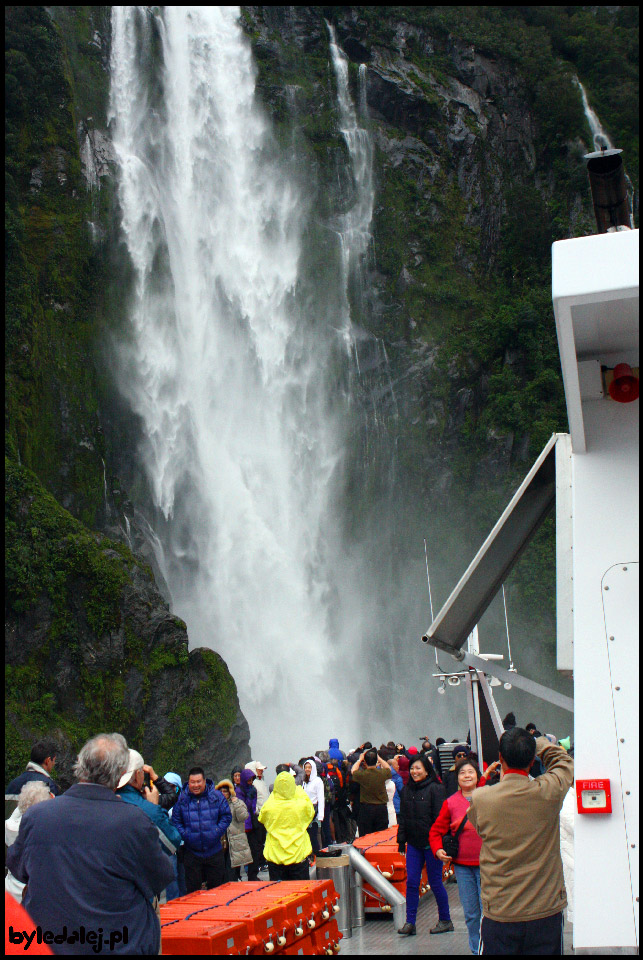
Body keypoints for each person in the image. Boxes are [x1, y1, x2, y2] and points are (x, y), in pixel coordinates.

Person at [6, 732, 174, 954]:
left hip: (49, 945)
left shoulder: (37, 816)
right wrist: (152, 807)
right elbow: (161, 876)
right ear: (121, 774)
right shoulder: (133, 821)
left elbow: (18, 869)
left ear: (80, 766)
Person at [467, 729, 574, 955]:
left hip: (500, 913)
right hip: (545, 912)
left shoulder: (481, 798)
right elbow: (564, 762)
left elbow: (479, 828)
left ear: (501, 758)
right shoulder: (549, 791)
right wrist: (541, 743)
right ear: (531, 758)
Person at [430, 758, 500, 954]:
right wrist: (438, 850)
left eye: (470, 772)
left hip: (487, 864)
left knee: (489, 912)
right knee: (471, 914)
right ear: (457, 778)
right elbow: (435, 831)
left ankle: (490, 949)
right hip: (462, 867)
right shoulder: (450, 803)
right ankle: (476, 950)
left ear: (478, 776)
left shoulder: (487, 797)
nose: (467, 775)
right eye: (462, 773)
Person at [397, 754, 453, 937]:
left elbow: (441, 818)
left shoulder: (436, 789)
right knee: (412, 882)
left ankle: (445, 920)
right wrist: (401, 841)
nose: (414, 771)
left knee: (435, 882)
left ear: (427, 770)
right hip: (414, 844)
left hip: (432, 845)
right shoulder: (406, 790)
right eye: (412, 768)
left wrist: (441, 844)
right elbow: (403, 818)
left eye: (418, 768)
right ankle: (410, 923)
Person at [171, 766, 232, 892]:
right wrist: (185, 834)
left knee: (217, 891)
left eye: (199, 781)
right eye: (192, 782)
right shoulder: (182, 799)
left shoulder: (216, 796)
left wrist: (216, 832)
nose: (196, 785)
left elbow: (226, 816)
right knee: (193, 892)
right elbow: (176, 820)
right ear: (188, 782)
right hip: (192, 852)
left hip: (214, 850)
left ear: (204, 781)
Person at [116, 749, 183, 859]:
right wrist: (154, 807)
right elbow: (172, 842)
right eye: (142, 772)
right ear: (138, 774)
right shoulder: (148, 807)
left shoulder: (103, 797)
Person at [259, 771, 315, 880]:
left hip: (275, 858)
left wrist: (274, 794)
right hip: (298, 855)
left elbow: (261, 817)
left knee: (280, 895)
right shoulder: (301, 805)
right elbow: (310, 811)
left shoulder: (270, 807)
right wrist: (298, 789)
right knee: (301, 894)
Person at [5, 782, 54, 901]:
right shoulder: (40, 831)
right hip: (28, 892)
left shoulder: (9, 824)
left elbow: (23, 808)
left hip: (9, 888)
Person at [215, 779, 252, 880]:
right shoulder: (214, 804)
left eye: (225, 791)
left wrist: (236, 804)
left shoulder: (238, 802)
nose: (223, 793)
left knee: (232, 873)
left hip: (234, 842)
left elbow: (244, 816)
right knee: (220, 873)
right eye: (221, 791)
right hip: (220, 843)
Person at [5, 739, 60, 807]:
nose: (54, 764)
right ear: (48, 761)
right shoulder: (48, 787)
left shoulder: (13, 784)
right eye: (54, 761)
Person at [351, 749, 391, 837]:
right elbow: (388, 768)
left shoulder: (362, 775)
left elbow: (353, 770)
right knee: (381, 837)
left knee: (365, 837)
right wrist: (379, 758)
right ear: (376, 760)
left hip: (366, 809)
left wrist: (359, 759)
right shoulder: (382, 773)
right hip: (381, 809)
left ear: (365, 761)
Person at [235, 768, 262, 880]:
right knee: (241, 852)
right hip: (244, 825)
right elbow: (242, 807)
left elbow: (253, 806)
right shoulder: (239, 791)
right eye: (249, 780)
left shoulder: (252, 790)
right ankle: (237, 876)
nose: (250, 782)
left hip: (253, 822)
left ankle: (253, 874)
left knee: (254, 850)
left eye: (252, 780)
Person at [301, 759, 324, 855]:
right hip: (305, 811)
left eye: (309, 767)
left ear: (313, 768)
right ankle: (310, 855)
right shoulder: (305, 781)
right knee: (307, 835)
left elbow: (321, 798)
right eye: (306, 767)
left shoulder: (317, 781)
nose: (307, 769)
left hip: (314, 812)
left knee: (314, 835)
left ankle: (317, 855)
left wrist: (321, 815)